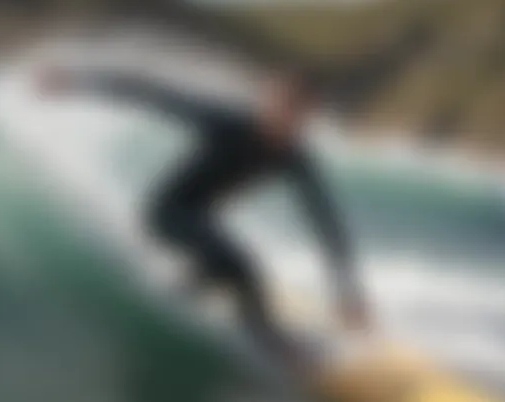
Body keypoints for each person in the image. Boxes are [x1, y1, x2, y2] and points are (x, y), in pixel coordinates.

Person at [36, 64, 369, 370]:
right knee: (242, 265)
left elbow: (326, 222)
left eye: (296, 115)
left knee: (218, 269)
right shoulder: (228, 123)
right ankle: (269, 342)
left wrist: (347, 290)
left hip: (201, 220)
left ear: (305, 119)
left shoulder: (294, 157)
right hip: (166, 212)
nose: (284, 120)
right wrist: (76, 83)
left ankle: (176, 300)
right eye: (280, 106)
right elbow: (153, 95)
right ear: (269, 102)